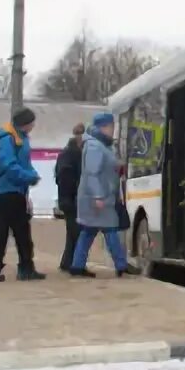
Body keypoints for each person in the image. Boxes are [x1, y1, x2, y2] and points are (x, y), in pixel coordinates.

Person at [70, 113, 140, 278]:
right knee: (110, 230)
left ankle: (77, 266)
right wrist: (98, 196)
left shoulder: (100, 145)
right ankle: (121, 265)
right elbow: (92, 173)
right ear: (103, 127)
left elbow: (103, 167)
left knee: (88, 232)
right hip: (99, 198)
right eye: (111, 127)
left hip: (98, 197)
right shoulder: (95, 146)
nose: (113, 130)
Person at [0, 107, 45, 282]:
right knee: (3, 232)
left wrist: (31, 175)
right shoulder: (8, 139)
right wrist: (29, 177)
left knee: (21, 232)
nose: (33, 125)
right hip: (8, 191)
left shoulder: (20, 138)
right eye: (32, 122)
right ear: (25, 123)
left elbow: (24, 163)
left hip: (18, 191)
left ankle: (25, 267)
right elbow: (9, 165)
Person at [55, 123, 85, 273]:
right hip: (71, 199)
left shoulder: (68, 152)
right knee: (77, 232)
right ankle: (75, 265)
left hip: (68, 198)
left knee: (73, 233)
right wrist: (74, 193)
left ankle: (68, 263)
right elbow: (65, 177)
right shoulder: (72, 153)